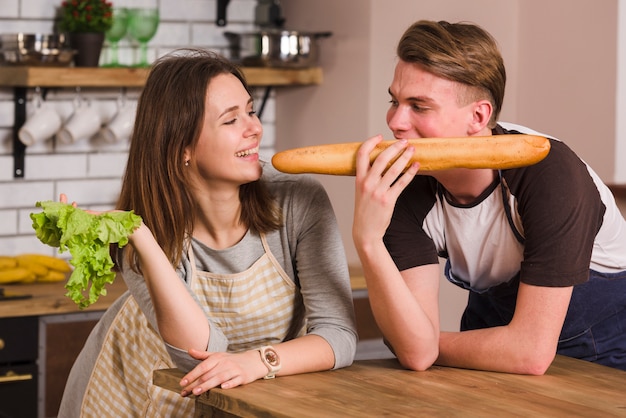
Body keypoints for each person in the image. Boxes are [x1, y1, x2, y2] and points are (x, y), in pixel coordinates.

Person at [59, 49, 357, 417]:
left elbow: (339, 337)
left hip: (236, 397)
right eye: (231, 120)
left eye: (250, 110)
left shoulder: (299, 202)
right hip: (132, 397)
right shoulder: (141, 230)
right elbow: (197, 354)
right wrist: (143, 241)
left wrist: (257, 362)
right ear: (182, 147)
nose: (255, 128)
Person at [352, 19, 626, 375]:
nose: (395, 122)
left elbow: (527, 353)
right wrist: (368, 240)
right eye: (395, 101)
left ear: (478, 116)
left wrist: (427, 342)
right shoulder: (406, 184)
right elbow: (416, 356)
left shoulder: (549, 174)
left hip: (606, 361)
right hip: (489, 353)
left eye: (419, 106)